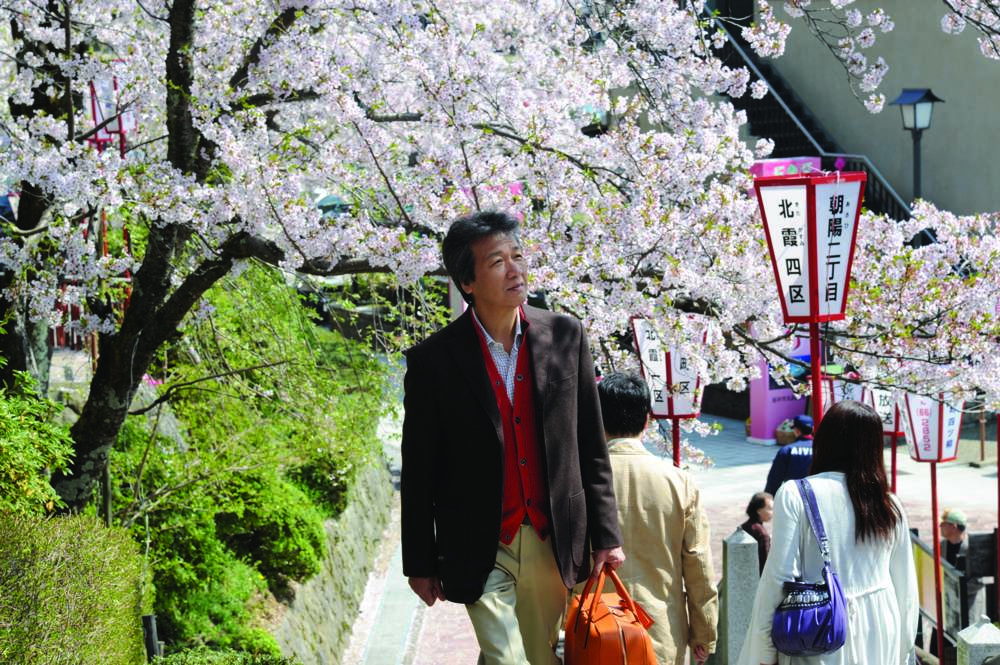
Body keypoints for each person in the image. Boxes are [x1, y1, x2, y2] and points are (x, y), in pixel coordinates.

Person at [400, 211, 625, 665]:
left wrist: (606, 533)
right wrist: (419, 563)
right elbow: (419, 469)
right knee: (506, 657)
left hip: (551, 534)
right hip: (477, 541)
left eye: (518, 256)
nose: (515, 269)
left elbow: (590, 446)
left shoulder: (565, 334)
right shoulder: (433, 362)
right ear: (467, 282)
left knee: (538, 655)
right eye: (497, 261)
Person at [737, 400, 918, 665]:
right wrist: (905, 648)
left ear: (825, 441)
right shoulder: (888, 503)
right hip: (882, 624)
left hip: (820, 627)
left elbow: (778, 576)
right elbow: (906, 585)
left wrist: (763, 648)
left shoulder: (796, 493)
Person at [597, 372, 718, 665]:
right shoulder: (679, 482)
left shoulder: (579, 482)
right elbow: (698, 568)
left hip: (594, 632)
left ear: (597, 418)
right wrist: (704, 633)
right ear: (647, 421)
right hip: (659, 633)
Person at [763, 414, 814, 496]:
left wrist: (769, 497)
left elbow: (775, 478)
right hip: (815, 495)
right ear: (812, 429)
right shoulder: (821, 449)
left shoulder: (787, 450)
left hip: (793, 495)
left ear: (797, 430)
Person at [741, 491, 774, 574]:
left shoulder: (744, 526)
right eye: (770, 508)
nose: (772, 512)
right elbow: (764, 564)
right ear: (759, 510)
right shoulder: (762, 534)